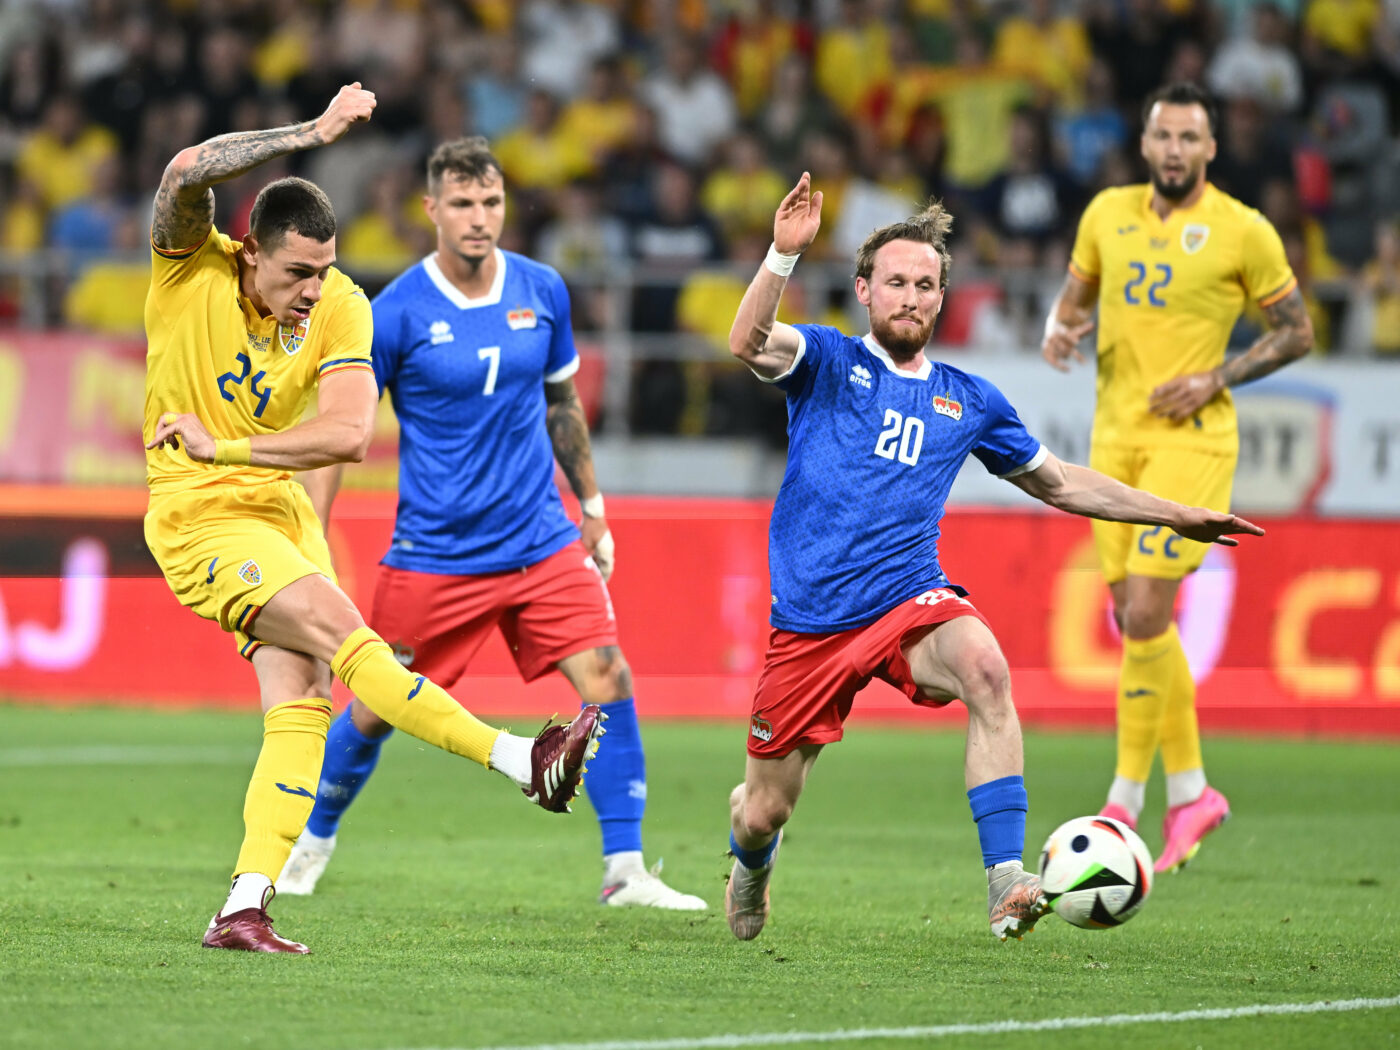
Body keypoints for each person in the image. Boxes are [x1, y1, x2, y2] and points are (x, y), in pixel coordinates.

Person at [722, 171, 1263, 943]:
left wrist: (1176, 515)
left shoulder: (969, 399)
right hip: (811, 624)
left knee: (985, 668)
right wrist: (782, 255)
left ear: (942, 298)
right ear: (864, 291)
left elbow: (1060, 482)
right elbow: (747, 341)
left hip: (909, 598)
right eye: (896, 283)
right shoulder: (828, 360)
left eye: (926, 286)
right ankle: (751, 861)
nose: (911, 298)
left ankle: (1007, 879)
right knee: (764, 809)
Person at [142, 87, 605, 955]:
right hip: (199, 515)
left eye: (324, 269)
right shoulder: (188, 269)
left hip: (278, 512)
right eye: (296, 272)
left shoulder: (344, 306)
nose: (313, 288)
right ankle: (522, 760)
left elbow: (351, 434)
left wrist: (228, 445)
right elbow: (184, 172)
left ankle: (243, 906)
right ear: (249, 251)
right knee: (350, 637)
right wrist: (312, 133)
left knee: (306, 699)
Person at [277, 137, 706, 911]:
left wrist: (593, 509)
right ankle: (311, 843)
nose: (479, 218)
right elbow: (342, 433)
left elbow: (562, 403)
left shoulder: (543, 289)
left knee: (609, 676)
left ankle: (626, 870)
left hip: (541, 537)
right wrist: (312, 536)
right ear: (431, 209)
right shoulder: (394, 313)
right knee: (374, 708)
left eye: (492, 202)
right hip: (436, 553)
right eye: (463, 203)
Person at [1040, 82, 1312, 874]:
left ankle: (1124, 800)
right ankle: (1190, 791)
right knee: (1133, 619)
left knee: (1148, 611)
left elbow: (1296, 331)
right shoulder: (1106, 214)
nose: (1174, 150)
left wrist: (1216, 377)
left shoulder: (1244, 230)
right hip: (1114, 437)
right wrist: (1061, 328)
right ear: (1145, 143)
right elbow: (1073, 302)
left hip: (1193, 440)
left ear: (1211, 148)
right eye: (1163, 136)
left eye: (1190, 138)